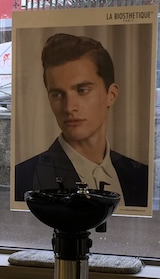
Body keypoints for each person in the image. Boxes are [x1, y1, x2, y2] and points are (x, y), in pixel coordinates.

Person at [14, 33, 149, 208]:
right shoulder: (22, 179)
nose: (69, 107)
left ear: (111, 95)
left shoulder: (140, 176)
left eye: (82, 90)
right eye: (57, 94)